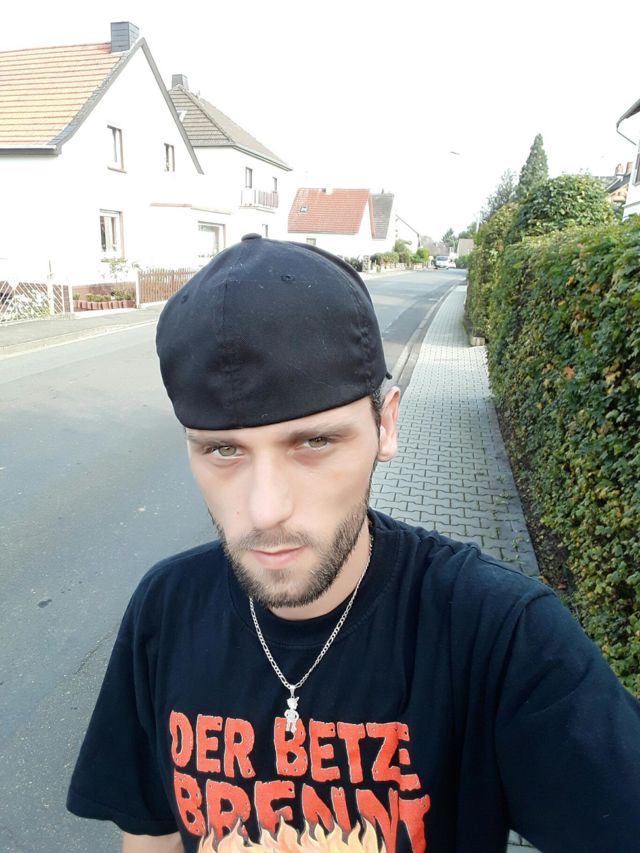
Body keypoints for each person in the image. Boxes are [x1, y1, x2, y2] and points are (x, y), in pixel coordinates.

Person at [67, 235, 640, 853]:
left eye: (314, 443)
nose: (265, 510)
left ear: (385, 426)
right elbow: (151, 835)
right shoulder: (166, 608)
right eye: (223, 449)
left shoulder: (499, 635)